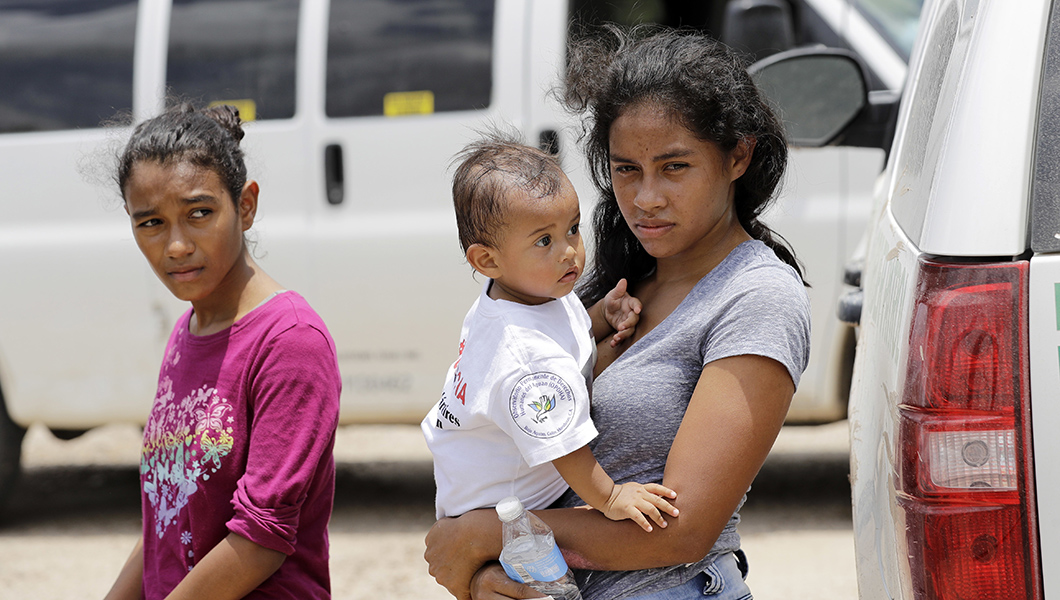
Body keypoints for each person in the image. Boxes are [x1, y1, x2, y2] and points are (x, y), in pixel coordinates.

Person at [423, 25, 811, 600]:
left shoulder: (756, 297)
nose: (645, 197)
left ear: (737, 156)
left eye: (674, 167)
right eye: (626, 169)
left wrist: (486, 533)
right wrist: (485, 577)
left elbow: (679, 534)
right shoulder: (602, 292)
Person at [104, 103, 341, 600]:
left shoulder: (290, 341)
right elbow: (167, 513)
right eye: (150, 223)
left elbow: (261, 538)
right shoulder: (188, 329)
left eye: (199, 214)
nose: (175, 246)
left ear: (246, 205)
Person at [421, 133, 679, 537]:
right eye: (544, 240)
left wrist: (602, 315)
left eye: (573, 229)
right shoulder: (525, 357)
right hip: (495, 511)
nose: (568, 251)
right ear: (487, 260)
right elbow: (565, 447)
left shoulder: (528, 293)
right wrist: (611, 498)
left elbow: (565, 330)